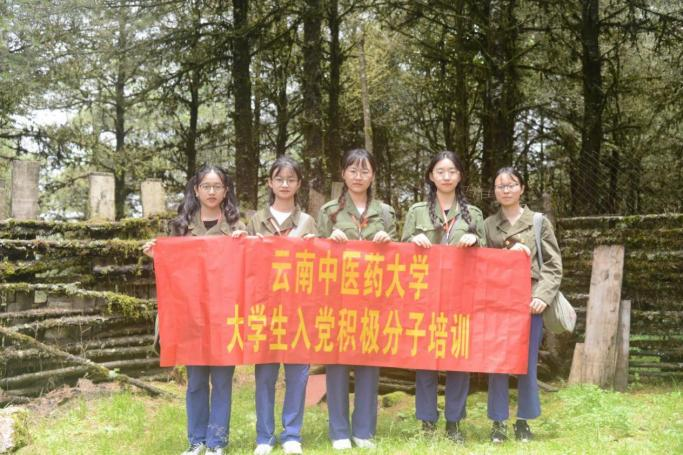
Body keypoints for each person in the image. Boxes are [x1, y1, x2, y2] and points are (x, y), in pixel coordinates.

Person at [143, 164, 247, 455]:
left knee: (222, 381)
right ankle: (197, 441)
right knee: (196, 381)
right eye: (206, 186)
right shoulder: (181, 227)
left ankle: (217, 442)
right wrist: (157, 255)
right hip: (192, 315)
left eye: (217, 186)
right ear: (196, 190)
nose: (212, 192)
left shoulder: (237, 227)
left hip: (225, 314)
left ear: (226, 191)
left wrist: (245, 244)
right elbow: (173, 273)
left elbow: (249, 270)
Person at [401, 151, 486, 444]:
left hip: (461, 298)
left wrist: (476, 240)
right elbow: (400, 252)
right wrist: (412, 240)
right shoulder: (417, 212)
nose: (446, 176)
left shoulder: (473, 214)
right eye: (440, 171)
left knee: (458, 359)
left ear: (460, 175)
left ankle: (454, 422)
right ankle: (427, 422)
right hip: (426, 296)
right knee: (426, 359)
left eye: (452, 171)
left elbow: (488, 256)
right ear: (431, 176)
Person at [317, 148, 397, 451]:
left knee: (368, 362)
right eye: (353, 170)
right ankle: (339, 430)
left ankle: (363, 429)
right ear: (343, 174)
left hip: (374, 298)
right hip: (338, 298)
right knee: (337, 363)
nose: (358, 176)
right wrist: (329, 242)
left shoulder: (385, 212)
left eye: (365, 171)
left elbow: (398, 258)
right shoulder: (329, 212)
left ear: (373, 175)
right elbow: (315, 254)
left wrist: (388, 242)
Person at [484, 166, 562, 443]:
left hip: (530, 303)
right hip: (497, 303)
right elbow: (482, 263)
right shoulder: (488, 225)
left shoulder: (538, 222)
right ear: (495, 191)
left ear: (522, 188)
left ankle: (523, 421)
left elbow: (552, 264)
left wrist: (542, 296)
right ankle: (498, 423)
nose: (506, 190)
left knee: (527, 363)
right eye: (500, 186)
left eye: (511, 185)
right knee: (497, 363)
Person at [247, 156, 317, 455]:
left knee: (297, 373)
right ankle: (264, 436)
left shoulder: (307, 221)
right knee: (265, 374)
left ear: (299, 184)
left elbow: (320, 267)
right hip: (265, 306)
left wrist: (314, 246)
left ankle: (292, 434)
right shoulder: (256, 220)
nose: (285, 184)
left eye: (291, 179)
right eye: (279, 179)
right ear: (270, 183)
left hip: (299, 307)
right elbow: (246, 263)